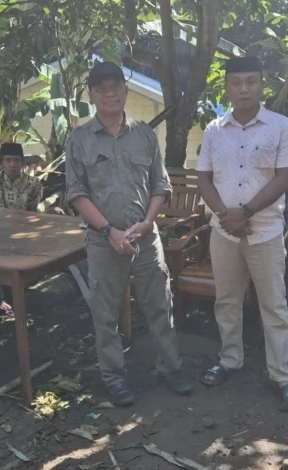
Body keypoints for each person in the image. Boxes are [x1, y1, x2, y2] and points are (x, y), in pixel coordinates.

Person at [65, 61, 193, 406]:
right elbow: (77, 193)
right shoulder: (79, 140)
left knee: (159, 307)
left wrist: (149, 222)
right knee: (105, 314)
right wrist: (108, 230)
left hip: (146, 239)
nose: (110, 92)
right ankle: (114, 378)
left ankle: (171, 368)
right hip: (103, 242)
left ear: (125, 90)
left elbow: (160, 185)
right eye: (101, 87)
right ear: (91, 95)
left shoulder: (144, 135)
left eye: (116, 85)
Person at [195, 56, 288, 412]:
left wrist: (245, 213)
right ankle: (229, 360)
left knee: (273, 306)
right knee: (226, 299)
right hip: (224, 232)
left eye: (251, 81)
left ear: (262, 85)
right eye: (236, 82)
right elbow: (203, 178)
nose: (243, 88)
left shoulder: (281, 127)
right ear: (227, 87)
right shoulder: (214, 130)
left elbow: (284, 176)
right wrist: (225, 216)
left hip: (266, 232)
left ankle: (282, 376)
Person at [0, 142, 42, 211]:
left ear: (22, 162)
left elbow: (35, 212)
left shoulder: (33, 184)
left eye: (16, 160)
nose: (12, 164)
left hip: (22, 221)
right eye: (8, 160)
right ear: (1, 163)